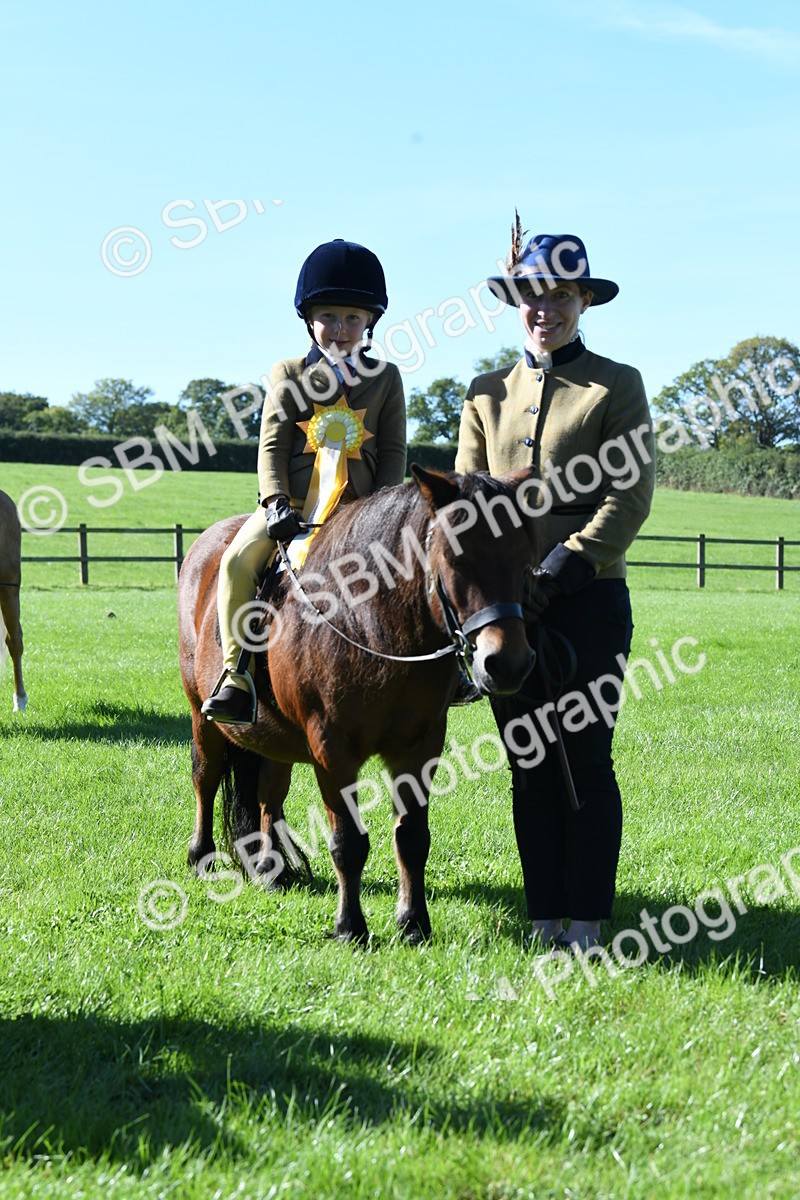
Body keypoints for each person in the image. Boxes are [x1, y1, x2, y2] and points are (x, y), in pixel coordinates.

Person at [455, 227, 655, 951]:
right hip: (508, 610)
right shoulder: (484, 394)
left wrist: (570, 560)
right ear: (518, 303)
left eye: (562, 295)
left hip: (588, 597)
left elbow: (628, 495)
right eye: (534, 295)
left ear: (582, 301)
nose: (547, 309)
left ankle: (590, 923)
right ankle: (545, 920)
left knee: (588, 755)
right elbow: (469, 502)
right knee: (529, 761)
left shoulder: (617, 383)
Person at [202, 238, 407, 724]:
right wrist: (274, 503)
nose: (340, 328)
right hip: (290, 507)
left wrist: (382, 511)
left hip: (361, 510)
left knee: (420, 565)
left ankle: (444, 671)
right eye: (329, 316)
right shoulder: (289, 372)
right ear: (309, 318)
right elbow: (271, 445)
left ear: (370, 323)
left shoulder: (387, 378)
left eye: (353, 318)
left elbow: (394, 452)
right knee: (234, 562)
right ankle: (235, 675)